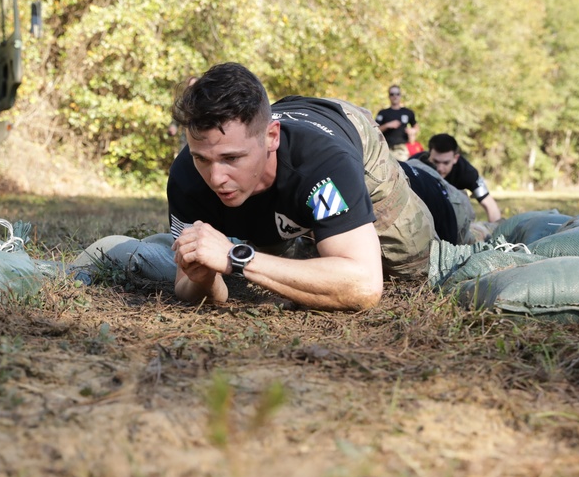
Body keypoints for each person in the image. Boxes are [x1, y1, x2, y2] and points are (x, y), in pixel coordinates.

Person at [167, 63, 437, 311]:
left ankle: (438, 187)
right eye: (201, 158)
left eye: (232, 158)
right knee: (290, 263)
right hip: (284, 158)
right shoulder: (186, 178)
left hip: (344, 131)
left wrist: (236, 257)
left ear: (271, 137)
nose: (215, 178)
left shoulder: (322, 163)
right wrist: (204, 279)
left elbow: (364, 286)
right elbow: (188, 287)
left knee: (410, 263)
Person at [411, 133, 501, 223]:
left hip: (455, 217)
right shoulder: (414, 165)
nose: (440, 168)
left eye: (446, 163)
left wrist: (498, 232)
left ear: (455, 158)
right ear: (429, 155)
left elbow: (489, 205)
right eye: (436, 161)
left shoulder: (467, 172)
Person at [374, 84, 418, 161]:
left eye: (397, 94)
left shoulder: (407, 112)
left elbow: (416, 126)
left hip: (401, 148)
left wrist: (413, 131)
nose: (395, 96)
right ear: (389, 96)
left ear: (400, 96)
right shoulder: (383, 113)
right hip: (385, 147)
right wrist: (387, 125)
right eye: (392, 94)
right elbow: (374, 130)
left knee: (402, 168)